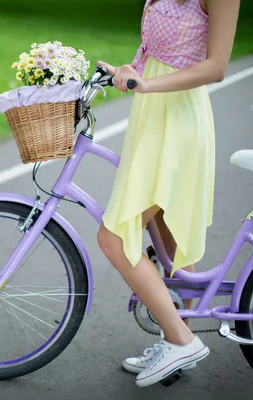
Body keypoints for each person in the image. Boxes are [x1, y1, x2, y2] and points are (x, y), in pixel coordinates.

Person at [95, 0, 241, 388]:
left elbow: (216, 67)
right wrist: (127, 71)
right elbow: (160, 53)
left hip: (178, 120)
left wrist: (147, 84)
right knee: (167, 234)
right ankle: (175, 337)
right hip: (153, 113)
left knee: (113, 237)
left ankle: (182, 340)